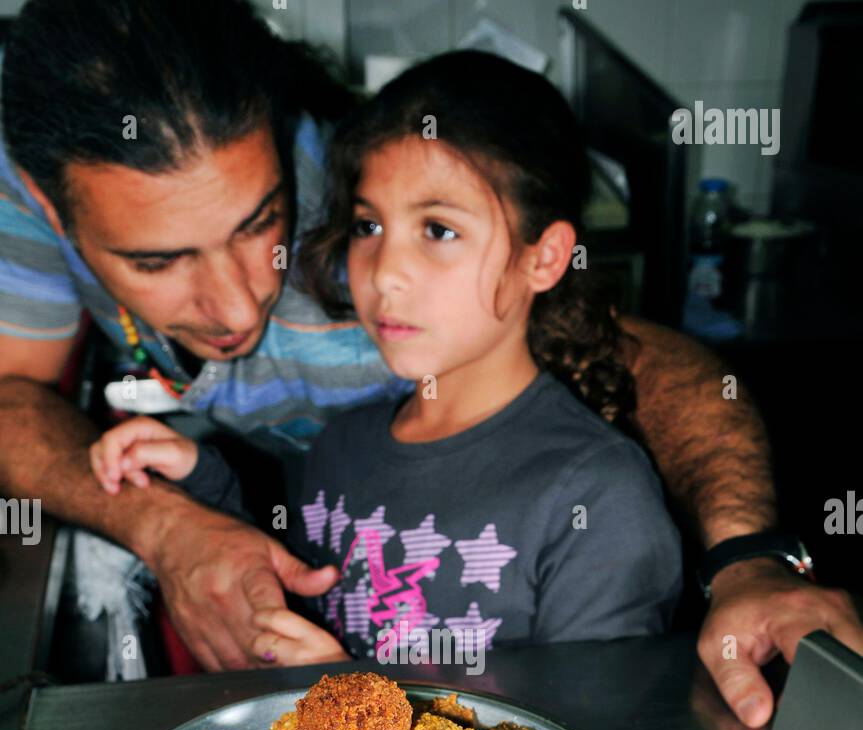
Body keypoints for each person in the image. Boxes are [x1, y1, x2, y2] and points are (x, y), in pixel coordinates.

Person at [0, 0, 859, 722]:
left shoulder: (592, 497)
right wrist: (194, 493)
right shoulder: (344, 446)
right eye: (157, 261)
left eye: (261, 223)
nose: (234, 309)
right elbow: (309, 559)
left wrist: (746, 558)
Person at [92, 51, 684, 664]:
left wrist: (349, 693)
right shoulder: (343, 445)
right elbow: (303, 581)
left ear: (545, 257)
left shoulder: (596, 495)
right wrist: (200, 479)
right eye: (368, 227)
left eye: (438, 230)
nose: (386, 274)